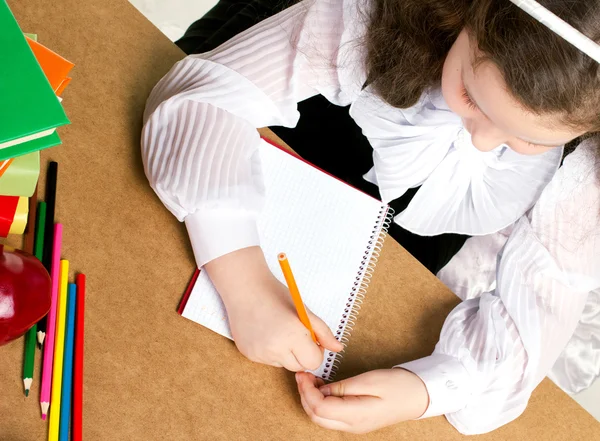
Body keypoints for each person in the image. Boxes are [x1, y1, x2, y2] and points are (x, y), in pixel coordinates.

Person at [141, 0, 600, 434]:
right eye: (472, 97)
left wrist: (427, 389)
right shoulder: (365, 18)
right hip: (299, 108)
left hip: (400, 238)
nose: (482, 142)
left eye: (531, 140)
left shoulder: (588, 169)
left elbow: (542, 309)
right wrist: (244, 281)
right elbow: (204, 98)